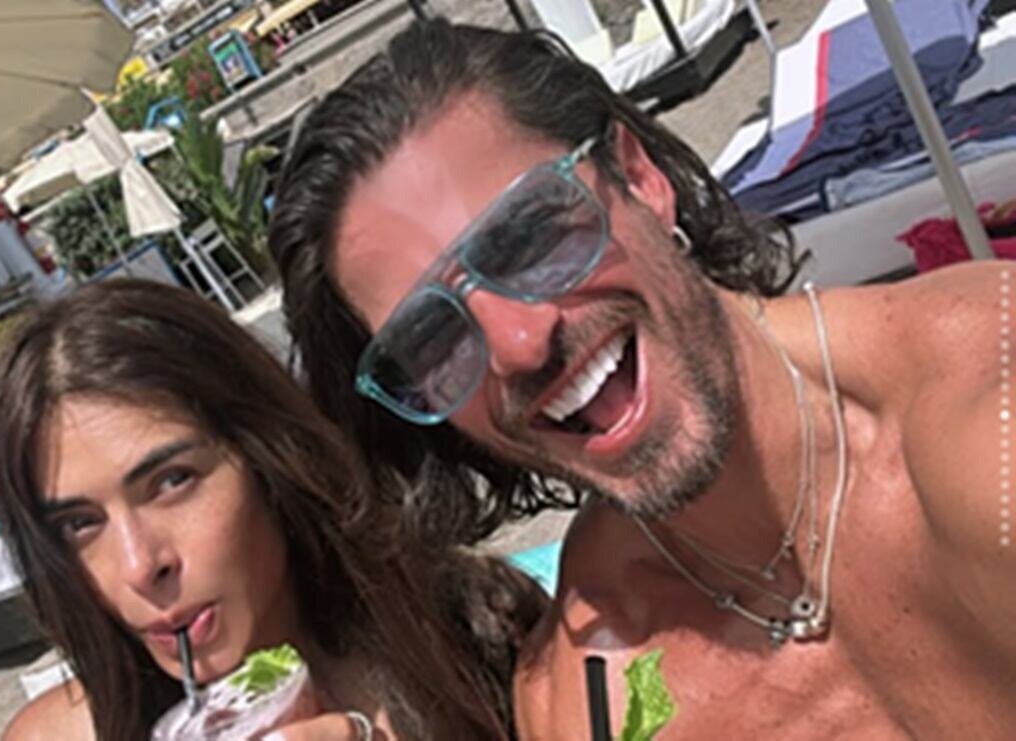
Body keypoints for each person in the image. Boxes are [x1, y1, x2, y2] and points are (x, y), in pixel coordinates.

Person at [269, 18, 1014, 738]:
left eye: (528, 237)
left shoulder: (983, 413)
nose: (519, 345)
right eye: (432, 337)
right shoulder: (589, 692)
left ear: (638, 176)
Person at [0, 279, 546, 740]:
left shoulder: (477, 631)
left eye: (173, 482)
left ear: (270, 459)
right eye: (79, 523)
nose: (139, 566)